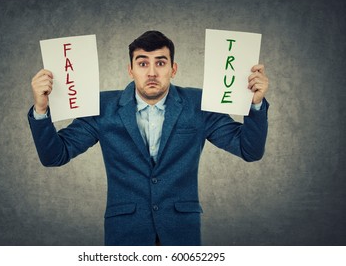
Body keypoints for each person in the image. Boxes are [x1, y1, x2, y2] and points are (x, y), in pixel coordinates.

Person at [28, 30, 269, 246]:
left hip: (181, 235)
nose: (152, 72)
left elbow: (249, 150)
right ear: (130, 69)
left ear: (173, 69)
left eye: (161, 63)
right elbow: (55, 155)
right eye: (142, 63)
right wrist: (41, 109)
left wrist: (255, 103)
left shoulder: (199, 105)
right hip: (126, 234)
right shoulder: (101, 107)